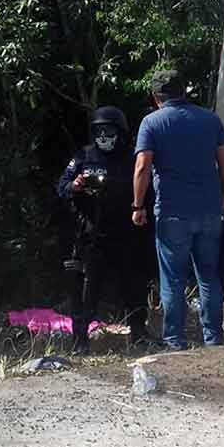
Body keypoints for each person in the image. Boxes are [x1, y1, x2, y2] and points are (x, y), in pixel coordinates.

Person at [132, 70, 224, 350]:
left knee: (173, 278)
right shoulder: (210, 119)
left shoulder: (151, 122)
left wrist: (137, 205)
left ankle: (175, 339)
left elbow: (142, 167)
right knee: (209, 275)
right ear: (184, 92)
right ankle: (213, 337)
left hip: (172, 212)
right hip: (210, 210)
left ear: (156, 97)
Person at [56, 106, 153, 352]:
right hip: (92, 235)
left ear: (120, 133)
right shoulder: (83, 157)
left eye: (109, 132)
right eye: (99, 131)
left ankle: (139, 334)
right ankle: (80, 340)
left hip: (127, 234)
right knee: (86, 290)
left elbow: (149, 191)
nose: (104, 137)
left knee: (134, 286)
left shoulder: (133, 159)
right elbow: (61, 187)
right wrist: (75, 186)